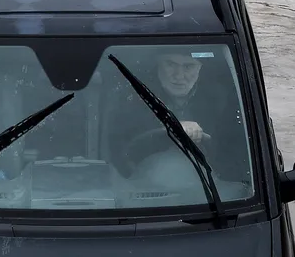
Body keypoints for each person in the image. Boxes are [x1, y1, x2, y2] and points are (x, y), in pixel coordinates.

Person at [105, 47, 246, 180]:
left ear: (200, 68)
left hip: (208, 190)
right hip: (144, 187)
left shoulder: (223, 100)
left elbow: (234, 157)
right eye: (171, 64)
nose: (179, 75)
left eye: (188, 66)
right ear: (158, 64)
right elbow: (121, 155)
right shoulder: (131, 99)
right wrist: (170, 129)